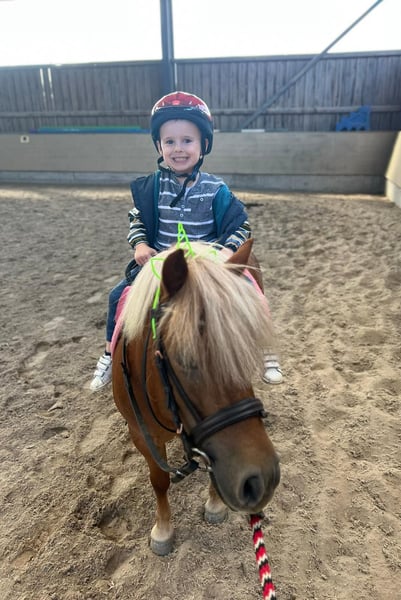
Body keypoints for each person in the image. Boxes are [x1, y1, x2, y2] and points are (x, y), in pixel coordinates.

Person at [90, 91, 283, 391]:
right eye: (169, 142)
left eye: (187, 140)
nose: (178, 149)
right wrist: (140, 245)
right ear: (159, 146)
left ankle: (266, 349)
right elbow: (137, 220)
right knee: (118, 296)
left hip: (207, 266)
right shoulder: (152, 188)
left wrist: (227, 251)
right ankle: (108, 354)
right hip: (162, 266)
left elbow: (240, 224)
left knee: (251, 289)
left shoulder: (215, 188)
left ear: (203, 144)